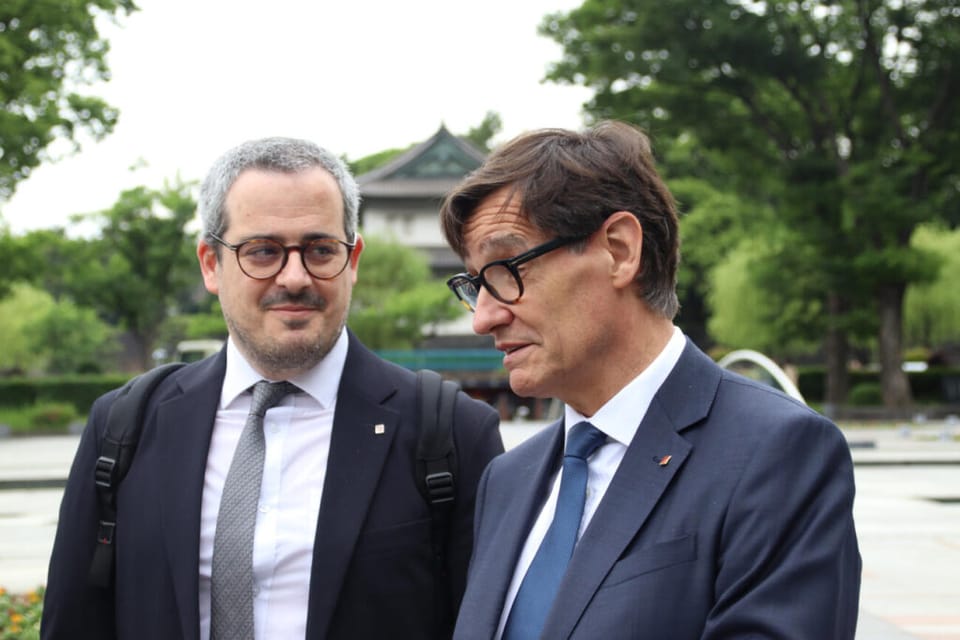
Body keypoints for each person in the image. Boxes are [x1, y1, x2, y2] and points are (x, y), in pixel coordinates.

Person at [42, 137, 504, 640]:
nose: (295, 276)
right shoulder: (126, 425)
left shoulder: (450, 432)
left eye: (320, 249)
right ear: (210, 264)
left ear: (353, 260)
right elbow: (74, 620)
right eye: (261, 251)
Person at [439, 121, 861, 639]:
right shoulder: (507, 480)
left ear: (619, 250)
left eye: (506, 270)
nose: (483, 318)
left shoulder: (776, 454)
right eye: (475, 284)